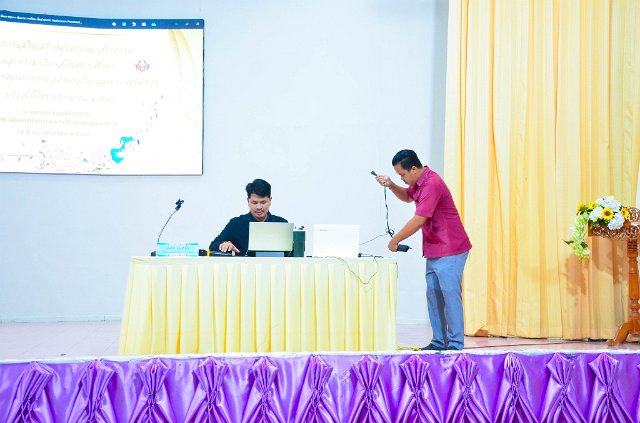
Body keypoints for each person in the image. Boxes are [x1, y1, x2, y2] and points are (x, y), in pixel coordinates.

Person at [375, 149, 471, 350]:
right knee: (434, 295)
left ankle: (455, 345)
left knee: (450, 295)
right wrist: (391, 185)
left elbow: (419, 219)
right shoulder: (419, 182)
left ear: (413, 168)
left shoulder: (432, 184)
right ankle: (439, 341)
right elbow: (407, 197)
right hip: (434, 248)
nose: (402, 179)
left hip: (451, 248)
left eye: (402, 175)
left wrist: (395, 240)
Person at [209, 179, 288, 256]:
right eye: (254, 203)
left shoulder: (282, 224)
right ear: (248, 201)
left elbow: (291, 253)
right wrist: (224, 244)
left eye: (263, 202)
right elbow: (213, 245)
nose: (259, 207)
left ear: (270, 200)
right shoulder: (236, 223)